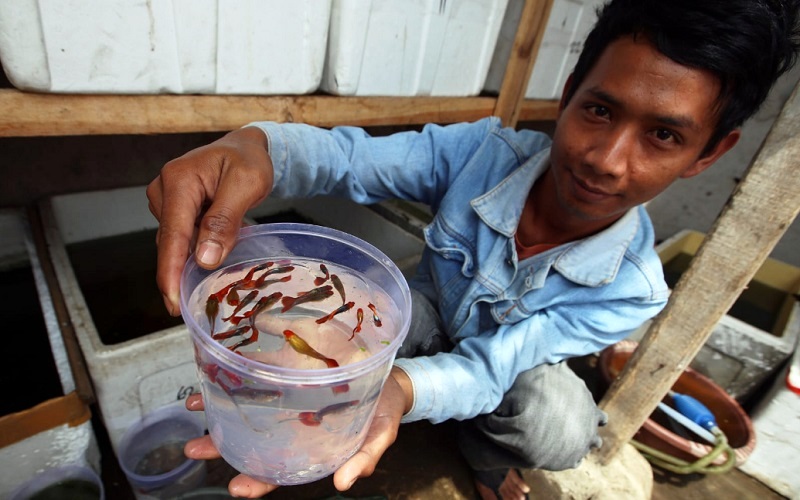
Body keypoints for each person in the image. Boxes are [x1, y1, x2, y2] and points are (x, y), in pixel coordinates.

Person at [147, 0, 800, 498]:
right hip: (425, 312)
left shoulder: (630, 291)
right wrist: (260, 149)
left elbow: (493, 366)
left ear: (709, 153)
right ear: (569, 91)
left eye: (662, 135)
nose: (607, 158)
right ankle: (363, 394)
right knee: (341, 333)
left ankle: (485, 457)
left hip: (511, 368)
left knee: (561, 426)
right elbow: (350, 159)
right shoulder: (480, 152)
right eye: (599, 110)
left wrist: (399, 390)